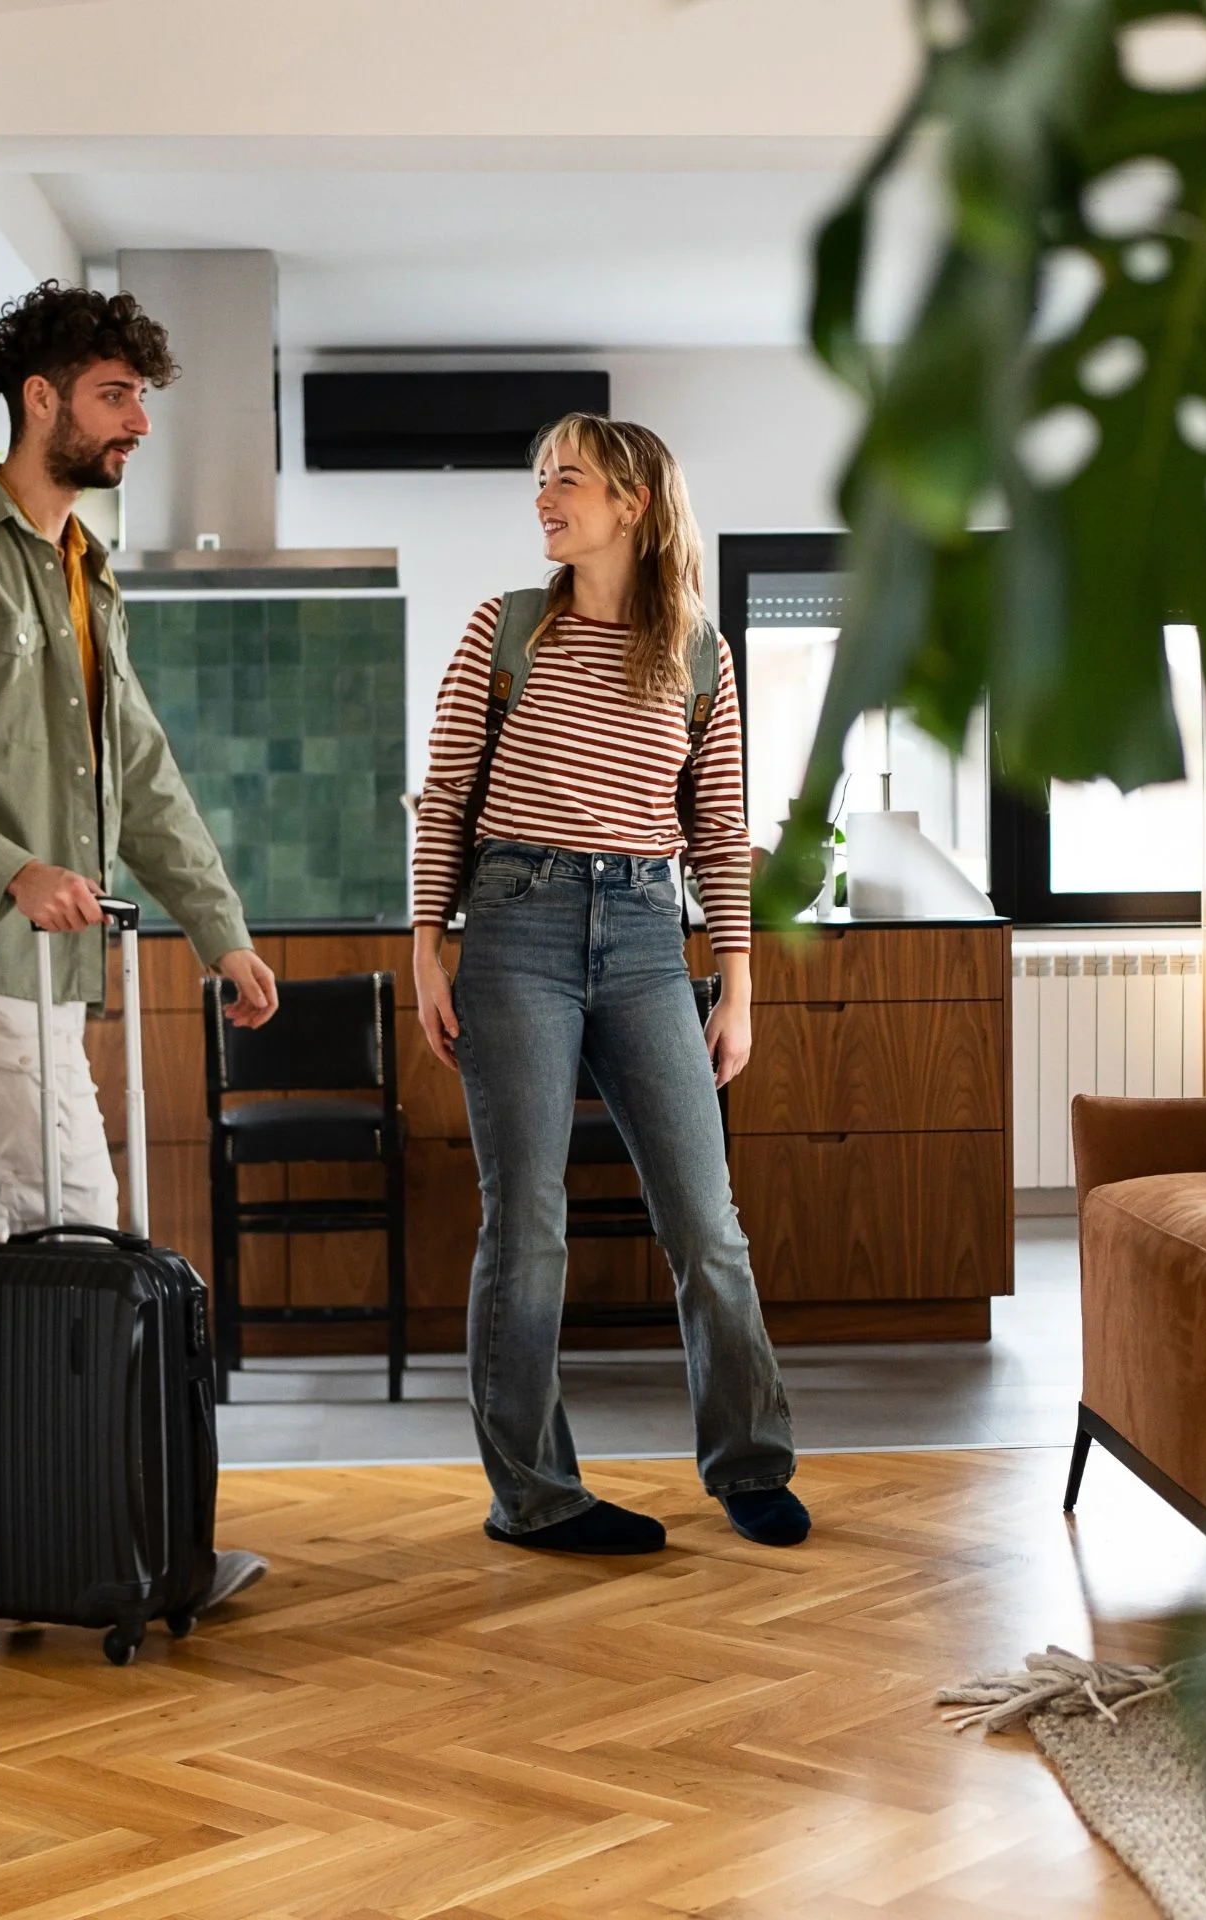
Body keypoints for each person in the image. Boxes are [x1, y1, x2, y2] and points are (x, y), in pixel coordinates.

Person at [0, 280, 277, 1606]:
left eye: (142, 397)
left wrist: (223, 931)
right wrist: (10, 869)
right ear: (40, 399)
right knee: (84, 1220)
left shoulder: (88, 578)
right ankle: (103, 1516)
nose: (136, 422)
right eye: (114, 395)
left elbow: (140, 774)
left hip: (44, 959)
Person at [410, 413, 806, 1555]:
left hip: (644, 933)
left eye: (567, 478)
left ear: (631, 500)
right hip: (518, 926)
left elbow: (721, 830)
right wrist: (425, 944)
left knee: (706, 1221)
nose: (546, 496)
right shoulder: (506, 628)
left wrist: (736, 984)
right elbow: (447, 799)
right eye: (540, 478)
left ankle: (748, 1462)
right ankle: (532, 1493)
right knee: (527, 1223)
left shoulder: (699, 652)